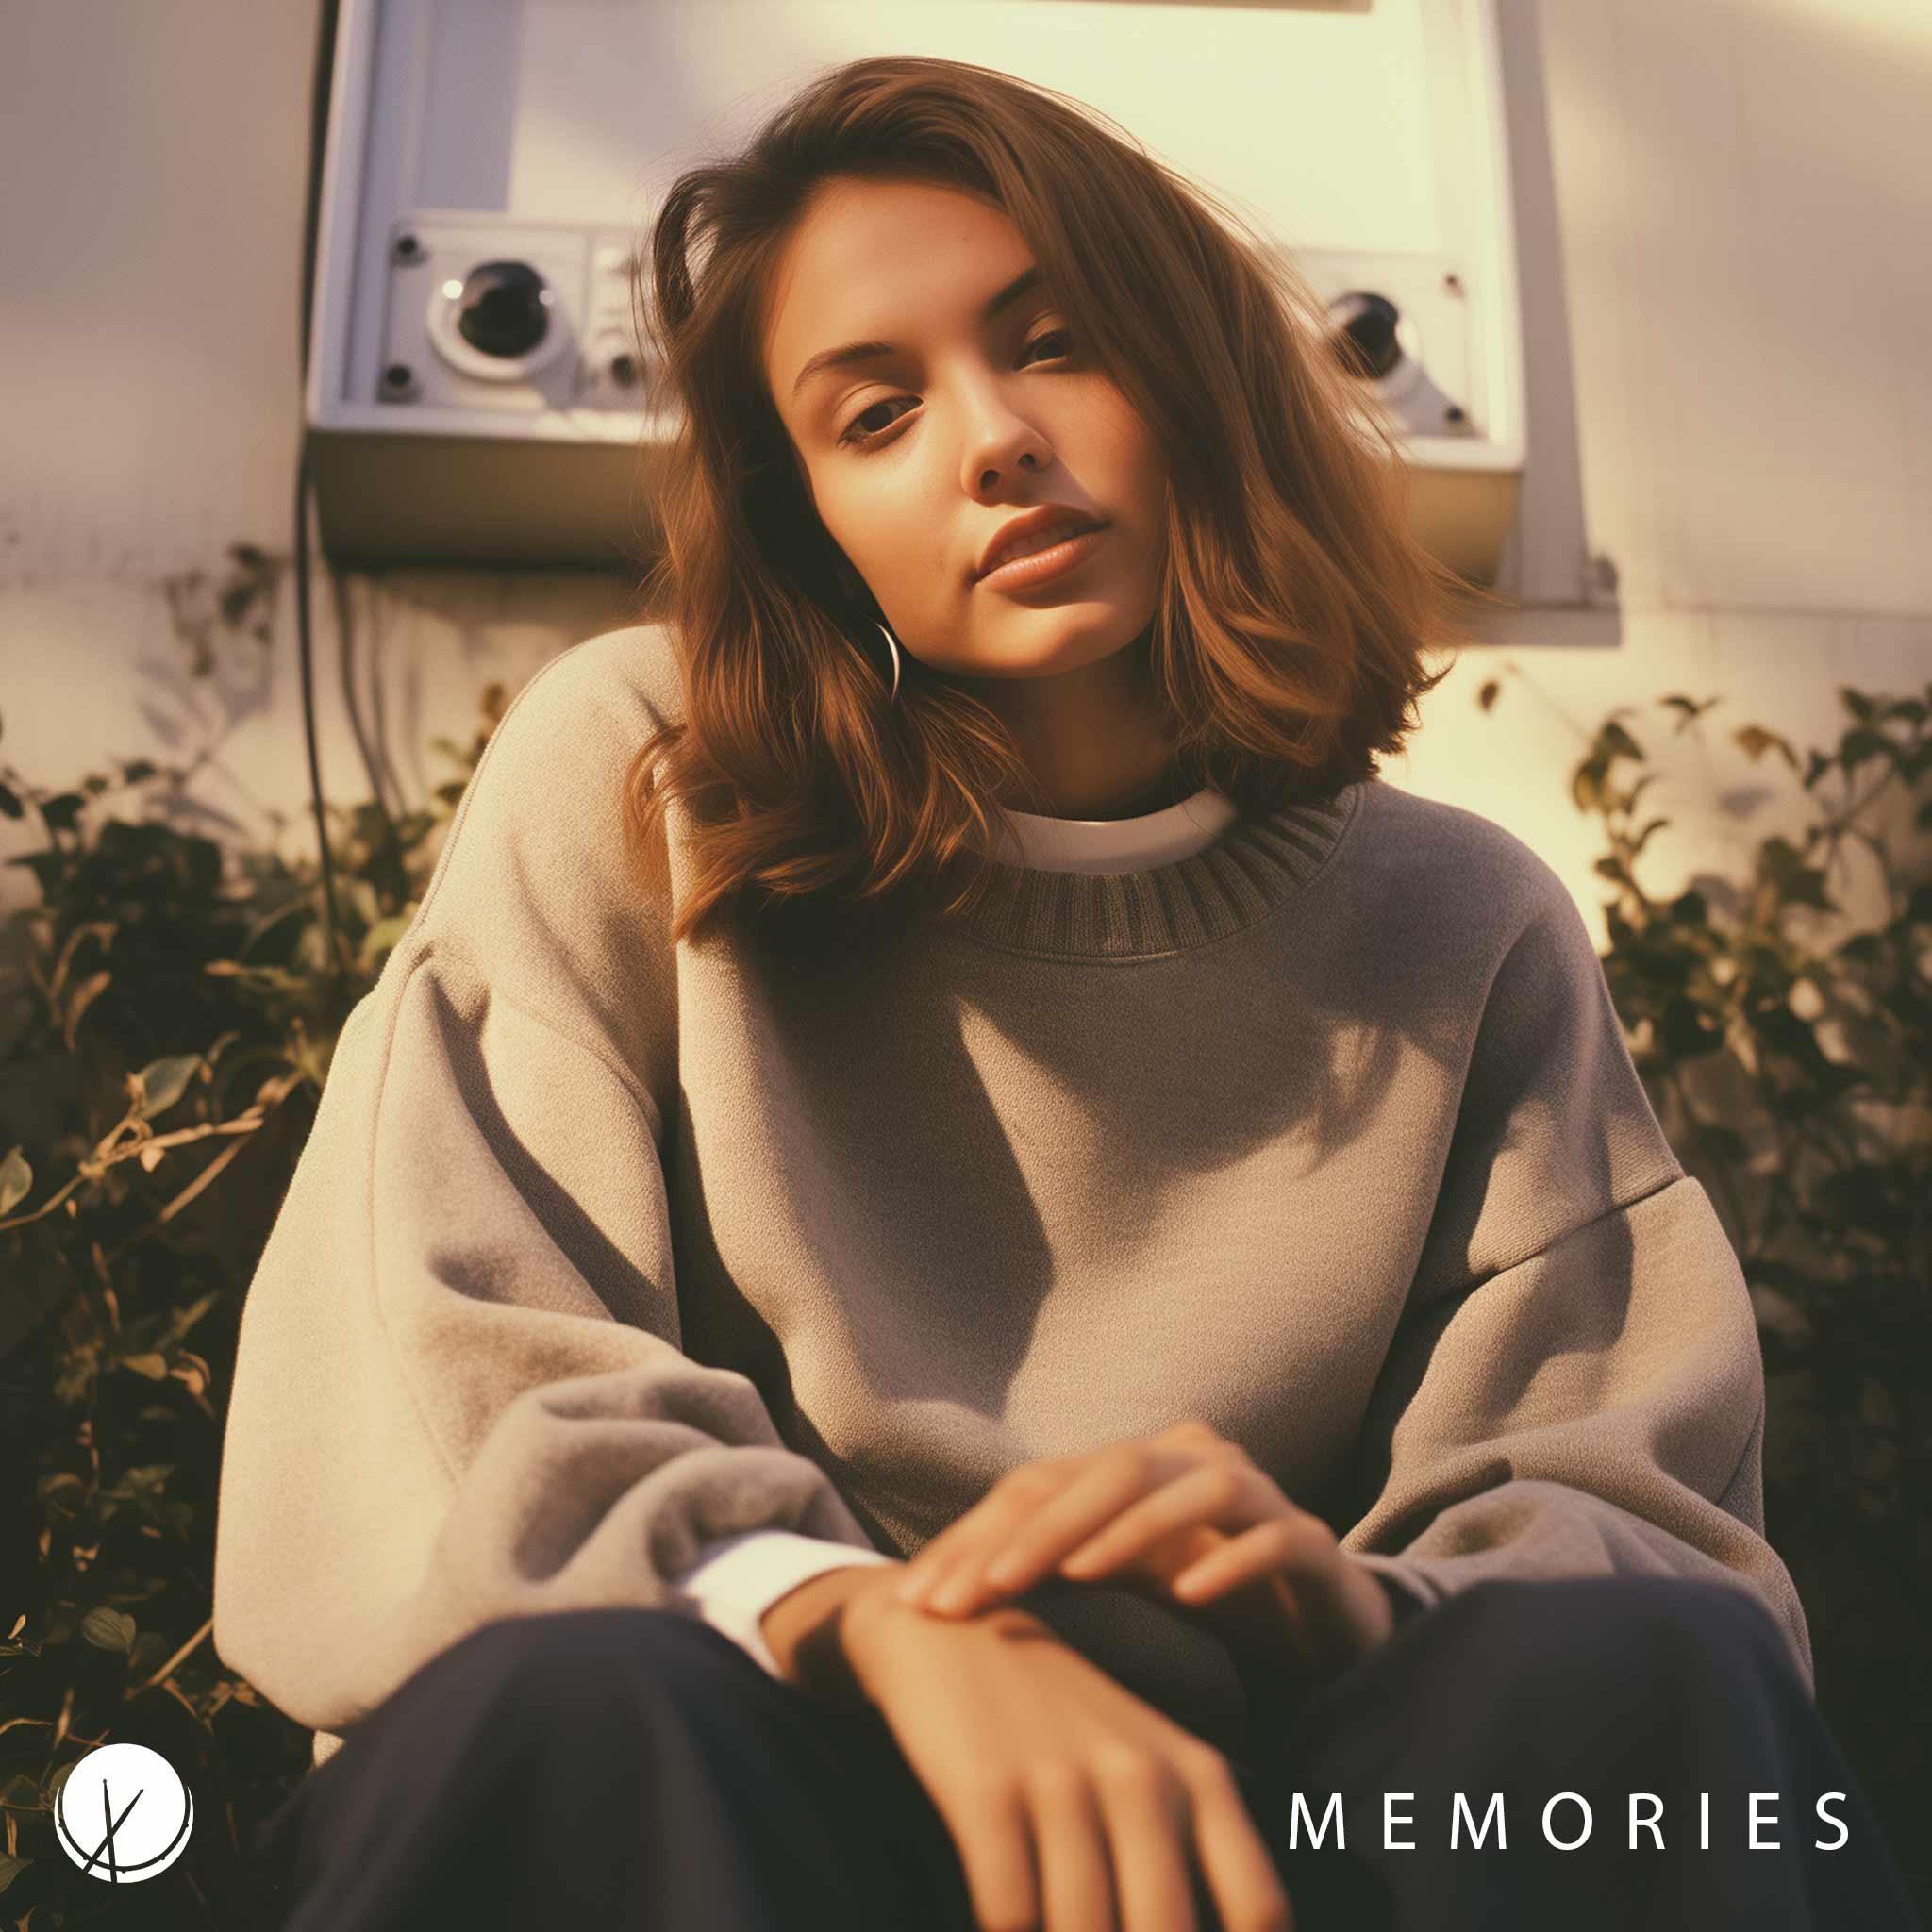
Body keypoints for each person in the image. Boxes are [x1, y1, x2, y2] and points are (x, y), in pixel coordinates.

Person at [214, 54, 1919, 1932]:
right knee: (584, 1703)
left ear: (1191, 376)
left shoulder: (1463, 925)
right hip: (753, 1749)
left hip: (1267, 1823)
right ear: (809, 524)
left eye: (1055, 344)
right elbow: (469, 1363)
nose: (992, 439)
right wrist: (857, 1616)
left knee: (1656, 1694)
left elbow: (1633, 1515)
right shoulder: (638, 774)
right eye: (876, 415)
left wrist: (1349, 1604)